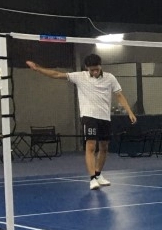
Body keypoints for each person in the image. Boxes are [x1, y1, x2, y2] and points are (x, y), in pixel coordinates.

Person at [26, 53, 136, 190]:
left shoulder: (110, 78)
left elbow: (119, 95)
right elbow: (57, 74)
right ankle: (92, 179)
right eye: (92, 70)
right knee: (91, 146)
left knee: (104, 147)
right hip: (89, 116)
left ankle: (98, 175)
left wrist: (130, 112)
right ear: (86, 68)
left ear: (100, 66)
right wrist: (37, 68)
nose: (95, 72)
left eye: (97, 69)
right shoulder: (79, 77)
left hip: (105, 118)